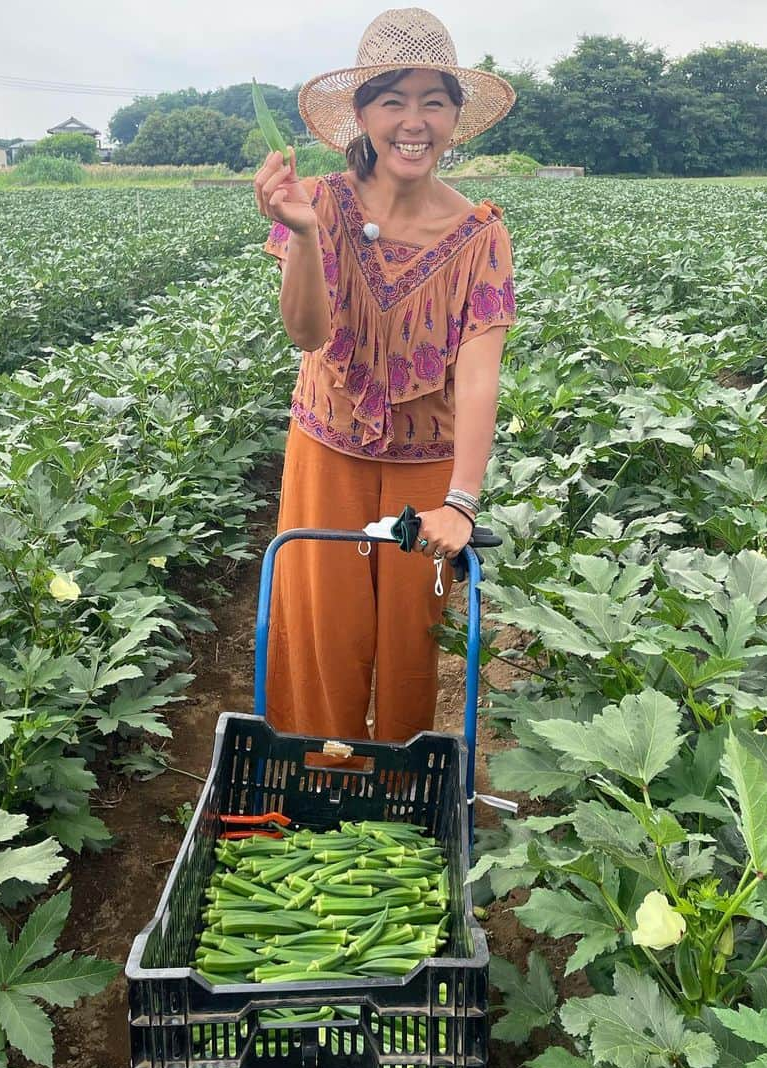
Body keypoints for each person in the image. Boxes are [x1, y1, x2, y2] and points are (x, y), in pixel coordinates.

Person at [253, 7, 517, 744]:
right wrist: (303, 236)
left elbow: (479, 376)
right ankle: (317, 785)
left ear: (456, 119)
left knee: (410, 648)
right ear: (362, 114)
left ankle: (402, 795)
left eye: (434, 101)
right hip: (327, 452)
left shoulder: (480, 234)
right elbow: (306, 334)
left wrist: (461, 502)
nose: (414, 120)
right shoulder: (323, 203)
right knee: (322, 638)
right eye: (394, 99)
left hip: (424, 468)